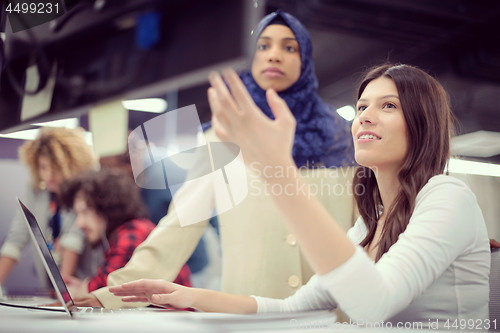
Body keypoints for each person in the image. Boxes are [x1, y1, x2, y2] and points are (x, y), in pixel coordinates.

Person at [109, 64, 491, 328]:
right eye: (361, 107)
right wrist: (183, 295)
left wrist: (279, 171)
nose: (364, 117)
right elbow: (291, 308)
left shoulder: (447, 196)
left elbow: (373, 306)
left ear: (422, 122)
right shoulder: (369, 223)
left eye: (387, 105)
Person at [75, 10, 357, 308]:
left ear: (306, 60)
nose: (274, 55)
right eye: (263, 46)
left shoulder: (342, 138)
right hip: (248, 313)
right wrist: (108, 296)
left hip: (333, 315)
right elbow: (180, 226)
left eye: (289, 47)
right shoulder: (221, 139)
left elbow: (365, 230)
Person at [58, 169, 192, 297]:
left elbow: (105, 291)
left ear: (106, 207)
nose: (79, 223)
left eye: (85, 212)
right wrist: (82, 287)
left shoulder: (132, 235)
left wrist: (72, 292)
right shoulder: (130, 230)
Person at [0, 127, 98, 292]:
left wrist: (63, 294)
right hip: (51, 288)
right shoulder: (36, 191)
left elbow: (73, 241)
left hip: (80, 288)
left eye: (57, 167)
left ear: (73, 164)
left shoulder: (84, 191)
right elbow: (17, 238)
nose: (49, 175)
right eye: (44, 167)